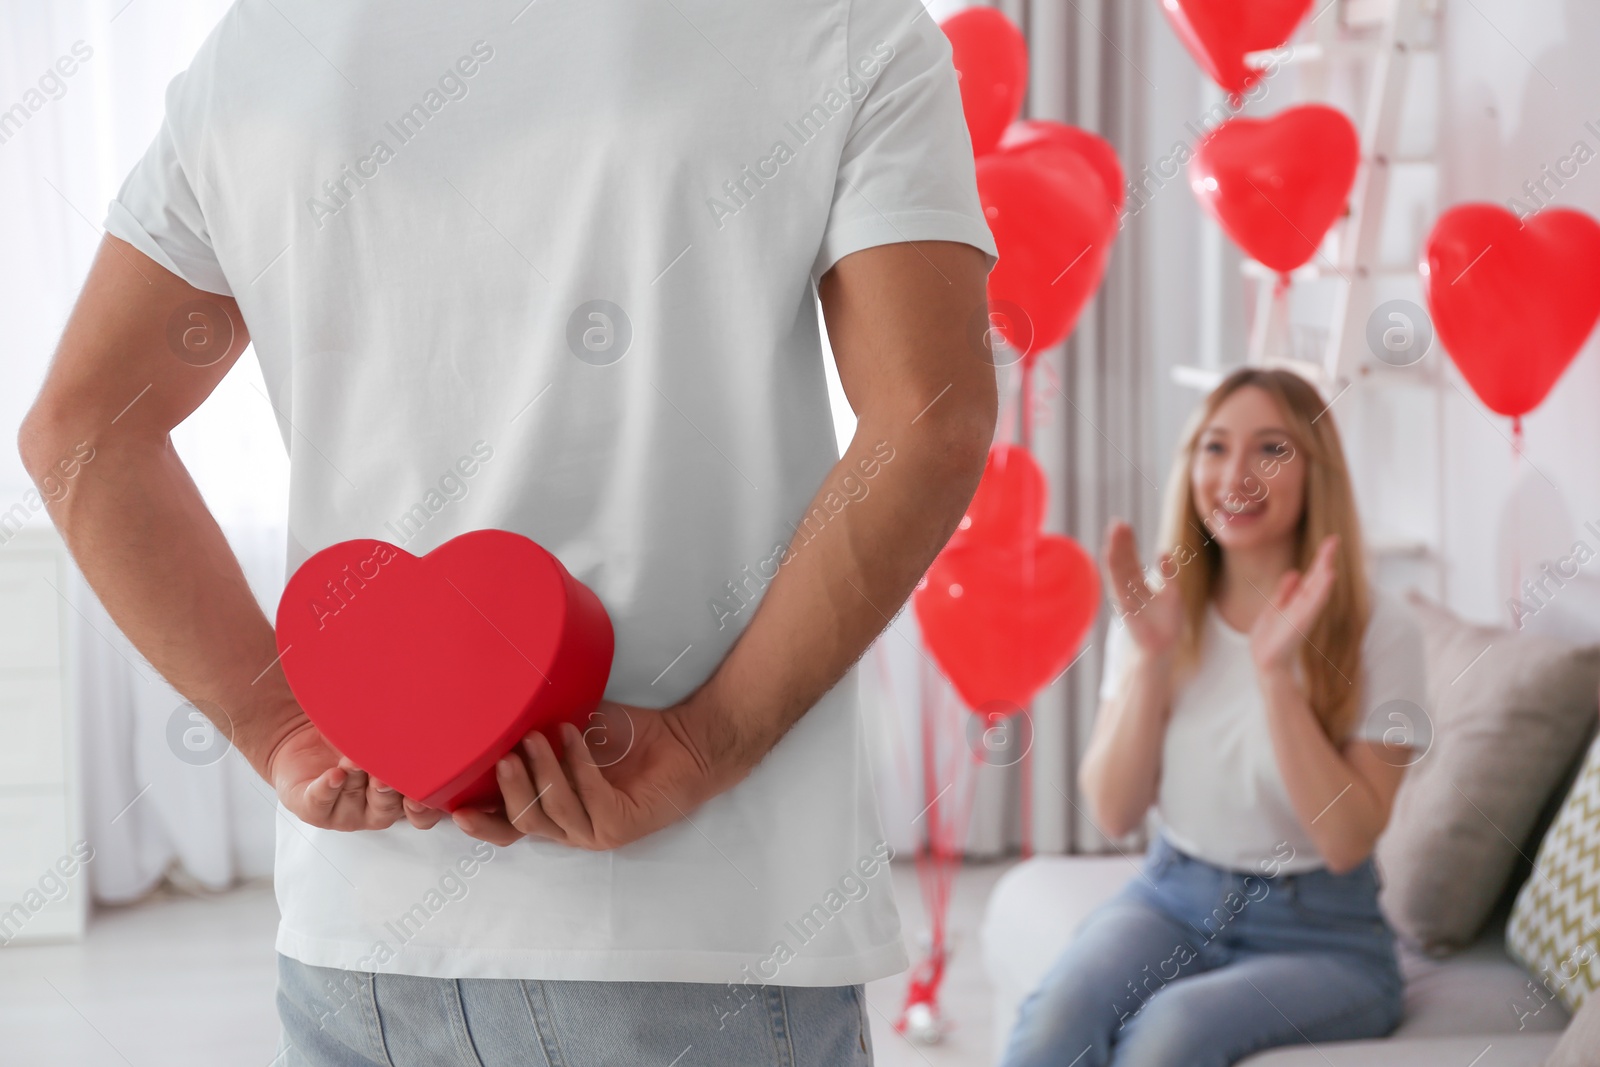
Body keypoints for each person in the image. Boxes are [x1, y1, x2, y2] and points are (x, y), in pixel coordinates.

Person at [17, 2, 1001, 1063]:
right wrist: (703, 737)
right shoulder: (840, 25)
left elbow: (81, 433)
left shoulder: (268, 41)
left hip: (363, 947)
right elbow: (932, 419)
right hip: (701, 936)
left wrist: (276, 728)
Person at [999, 368, 1431, 1067]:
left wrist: (1275, 676)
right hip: (1172, 895)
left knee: (1169, 1034)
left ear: (1317, 471)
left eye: (1271, 449)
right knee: (1057, 1017)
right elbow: (1114, 811)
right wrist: (1151, 660)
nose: (1237, 474)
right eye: (1215, 447)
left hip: (1324, 933)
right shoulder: (1157, 613)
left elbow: (1348, 839)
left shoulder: (1385, 628)